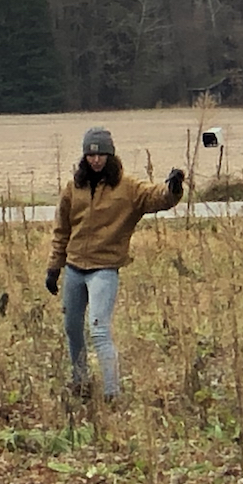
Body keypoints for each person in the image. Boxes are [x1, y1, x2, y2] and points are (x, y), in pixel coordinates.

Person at [45, 127, 185, 401]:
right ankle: (80, 382)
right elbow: (61, 229)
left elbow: (156, 197)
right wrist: (54, 266)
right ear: (85, 156)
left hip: (104, 270)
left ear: (110, 155)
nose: (95, 160)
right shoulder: (74, 188)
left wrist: (173, 188)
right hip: (74, 268)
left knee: (98, 330)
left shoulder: (128, 188)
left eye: (101, 155)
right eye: (90, 154)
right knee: (72, 328)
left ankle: (112, 394)